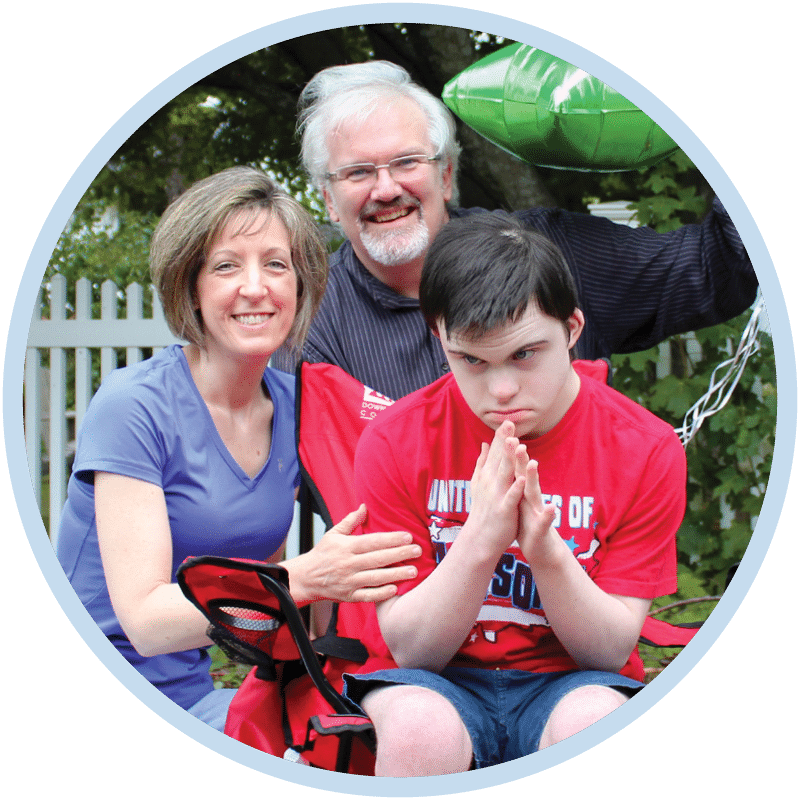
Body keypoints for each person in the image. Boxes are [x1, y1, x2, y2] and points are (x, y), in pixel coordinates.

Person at [55, 167, 422, 732]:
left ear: (301, 285)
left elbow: (261, 576)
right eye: (227, 266)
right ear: (190, 289)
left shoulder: (296, 406)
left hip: (193, 692)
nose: (257, 287)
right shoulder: (134, 406)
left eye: (277, 264)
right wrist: (308, 577)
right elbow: (147, 623)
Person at [342, 213, 687, 774]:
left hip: (575, 680)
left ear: (572, 329)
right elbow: (410, 649)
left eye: (525, 354)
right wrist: (480, 539)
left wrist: (546, 552)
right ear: (440, 338)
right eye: (471, 360)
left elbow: (608, 650)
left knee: (594, 723)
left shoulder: (645, 449)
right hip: (433, 681)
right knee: (419, 730)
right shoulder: (395, 439)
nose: (500, 391)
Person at [272, 60, 757, 401]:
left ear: (445, 176)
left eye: (406, 162)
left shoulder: (552, 251)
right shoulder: (305, 322)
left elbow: (715, 266)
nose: (385, 189)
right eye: (357, 172)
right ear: (329, 201)